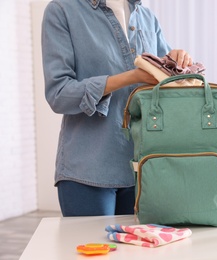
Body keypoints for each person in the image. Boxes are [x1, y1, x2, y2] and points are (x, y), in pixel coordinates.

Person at [41, 0, 193, 216]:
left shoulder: (146, 17)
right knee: (94, 249)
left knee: (139, 250)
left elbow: (168, 86)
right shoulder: (62, 10)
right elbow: (59, 94)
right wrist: (130, 77)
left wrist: (178, 61)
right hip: (88, 169)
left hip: (144, 169)